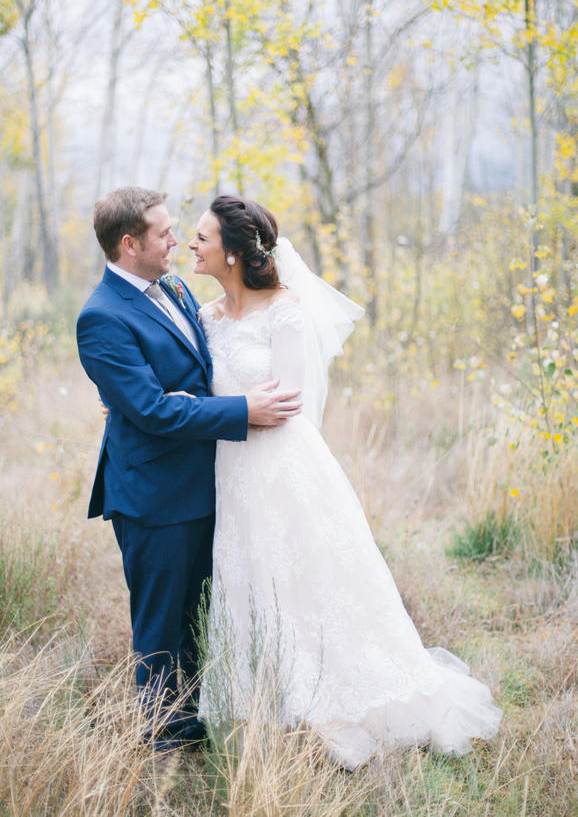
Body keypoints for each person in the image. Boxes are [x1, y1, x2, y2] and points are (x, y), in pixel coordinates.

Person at [189, 194, 502, 770]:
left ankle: (335, 703)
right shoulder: (204, 317)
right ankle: (270, 703)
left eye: (203, 237)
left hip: (282, 466)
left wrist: (233, 409)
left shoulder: (284, 310)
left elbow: (289, 402)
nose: (192, 244)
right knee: (249, 581)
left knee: (308, 583)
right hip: (230, 469)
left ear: (233, 252)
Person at [76, 187, 301, 752]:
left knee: (201, 616)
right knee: (161, 630)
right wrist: (242, 410)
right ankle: (167, 747)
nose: (176, 240)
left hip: (207, 484)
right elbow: (151, 407)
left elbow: (200, 370)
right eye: (163, 233)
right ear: (129, 244)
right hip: (153, 497)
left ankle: (198, 717)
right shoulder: (100, 317)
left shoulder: (173, 288)